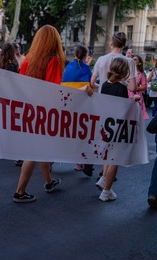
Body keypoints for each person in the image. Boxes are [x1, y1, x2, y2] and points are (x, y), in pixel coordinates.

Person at [13, 25, 65, 203]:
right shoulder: (53, 60)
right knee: (34, 152)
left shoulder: (29, 59)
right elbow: (53, 90)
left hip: (28, 109)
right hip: (43, 112)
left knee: (41, 149)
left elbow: (20, 84)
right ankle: (19, 192)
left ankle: (48, 182)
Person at [91, 32, 137, 190]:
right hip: (118, 113)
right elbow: (133, 88)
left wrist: (104, 87)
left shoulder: (102, 59)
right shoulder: (128, 61)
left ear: (111, 43)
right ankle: (106, 186)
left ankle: (103, 178)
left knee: (106, 146)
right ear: (124, 44)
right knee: (115, 152)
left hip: (103, 107)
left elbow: (92, 82)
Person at [98, 57, 139, 201]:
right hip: (116, 126)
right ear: (124, 73)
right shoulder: (121, 88)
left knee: (107, 154)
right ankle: (106, 191)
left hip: (105, 126)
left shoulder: (104, 85)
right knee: (115, 158)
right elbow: (123, 109)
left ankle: (103, 179)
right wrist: (133, 100)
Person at [61, 44, 94, 176]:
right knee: (82, 134)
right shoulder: (85, 68)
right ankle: (80, 162)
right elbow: (90, 87)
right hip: (83, 107)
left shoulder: (68, 67)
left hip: (67, 105)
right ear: (85, 56)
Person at [130, 55, 149, 120]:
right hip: (125, 94)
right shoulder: (127, 71)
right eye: (132, 59)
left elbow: (144, 87)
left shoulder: (141, 74)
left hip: (136, 96)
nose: (133, 60)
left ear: (139, 63)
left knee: (135, 117)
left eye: (135, 59)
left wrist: (134, 87)